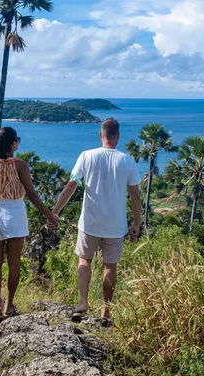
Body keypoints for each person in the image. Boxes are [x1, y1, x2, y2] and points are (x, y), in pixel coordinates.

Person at [50, 118, 142, 323]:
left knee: (84, 260)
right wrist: (137, 223)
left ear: (101, 135)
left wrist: (55, 211)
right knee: (110, 266)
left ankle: (82, 302)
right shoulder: (127, 161)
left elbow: (71, 185)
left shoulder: (86, 156)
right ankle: (105, 311)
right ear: (117, 136)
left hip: (89, 222)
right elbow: (136, 195)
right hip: (116, 225)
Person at [0, 126, 59, 321]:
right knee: (14, 261)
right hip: (14, 212)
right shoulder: (21, 165)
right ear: (13, 144)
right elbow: (31, 194)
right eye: (18, 140)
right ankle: (8, 306)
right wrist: (49, 214)